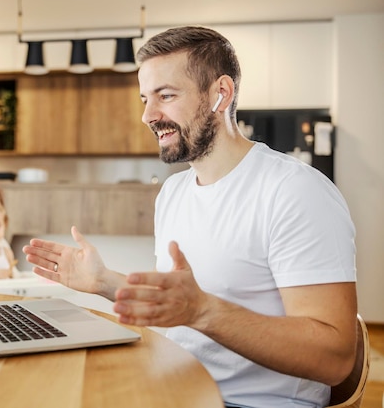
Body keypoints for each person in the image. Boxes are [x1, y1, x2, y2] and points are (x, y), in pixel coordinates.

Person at [23, 26, 357, 408]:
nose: (148, 115)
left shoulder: (295, 191)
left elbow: (335, 359)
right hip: (171, 388)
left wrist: (203, 312)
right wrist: (103, 281)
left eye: (166, 96)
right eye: (145, 99)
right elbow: (180, 301)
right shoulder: (174, 192)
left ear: (221, 93)